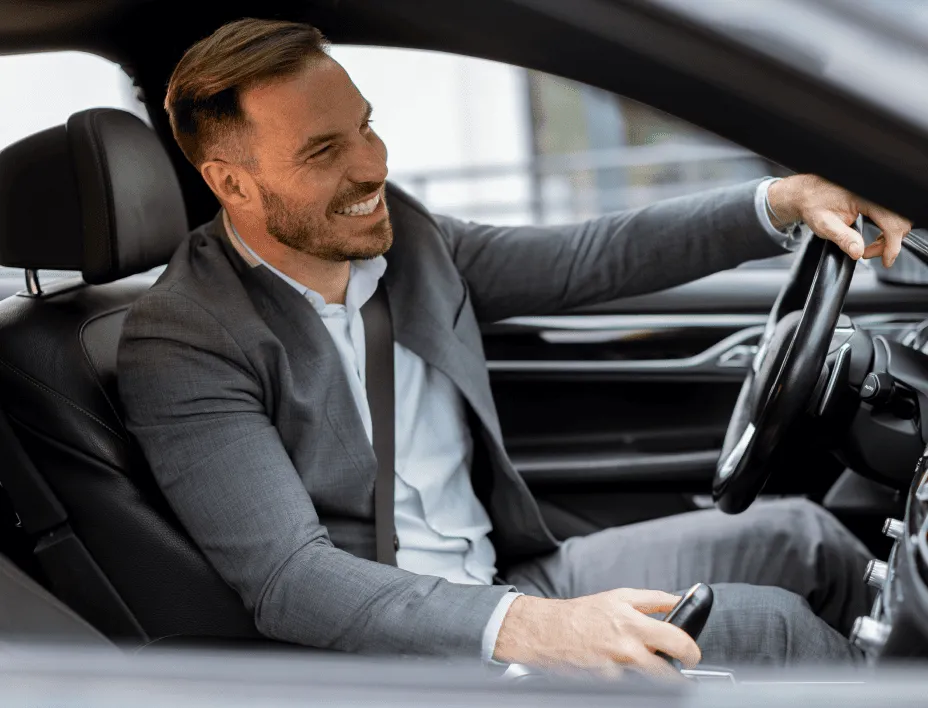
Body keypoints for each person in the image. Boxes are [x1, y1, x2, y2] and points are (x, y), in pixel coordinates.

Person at [117, 17, 913, 678]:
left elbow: (589, 257)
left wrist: (782, 200)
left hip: (504, 576)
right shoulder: (185, 336)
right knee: (770, 630)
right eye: (323, 151)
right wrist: (535, 628)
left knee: (802, 540)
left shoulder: (401, 234)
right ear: (231, 184)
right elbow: (291, 582)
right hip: (404, 653)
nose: (372, 164)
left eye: (364, 125)